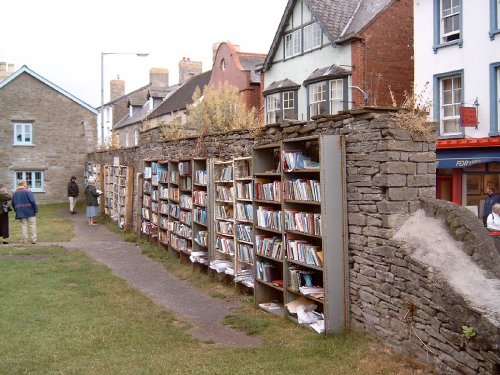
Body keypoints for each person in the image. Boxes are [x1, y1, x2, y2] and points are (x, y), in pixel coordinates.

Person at [12, 180, 38, 245]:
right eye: (26, 183)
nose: (27, 184)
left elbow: (13, 203)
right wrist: (35, 209)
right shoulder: (28, 191)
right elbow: (32, 201)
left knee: (24, 225)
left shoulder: (15, 193)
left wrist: (16, 210)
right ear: (23, 184)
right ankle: (34, 239)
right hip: (30, 210)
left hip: (20, 211)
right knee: (32, 225)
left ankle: (25, 240)